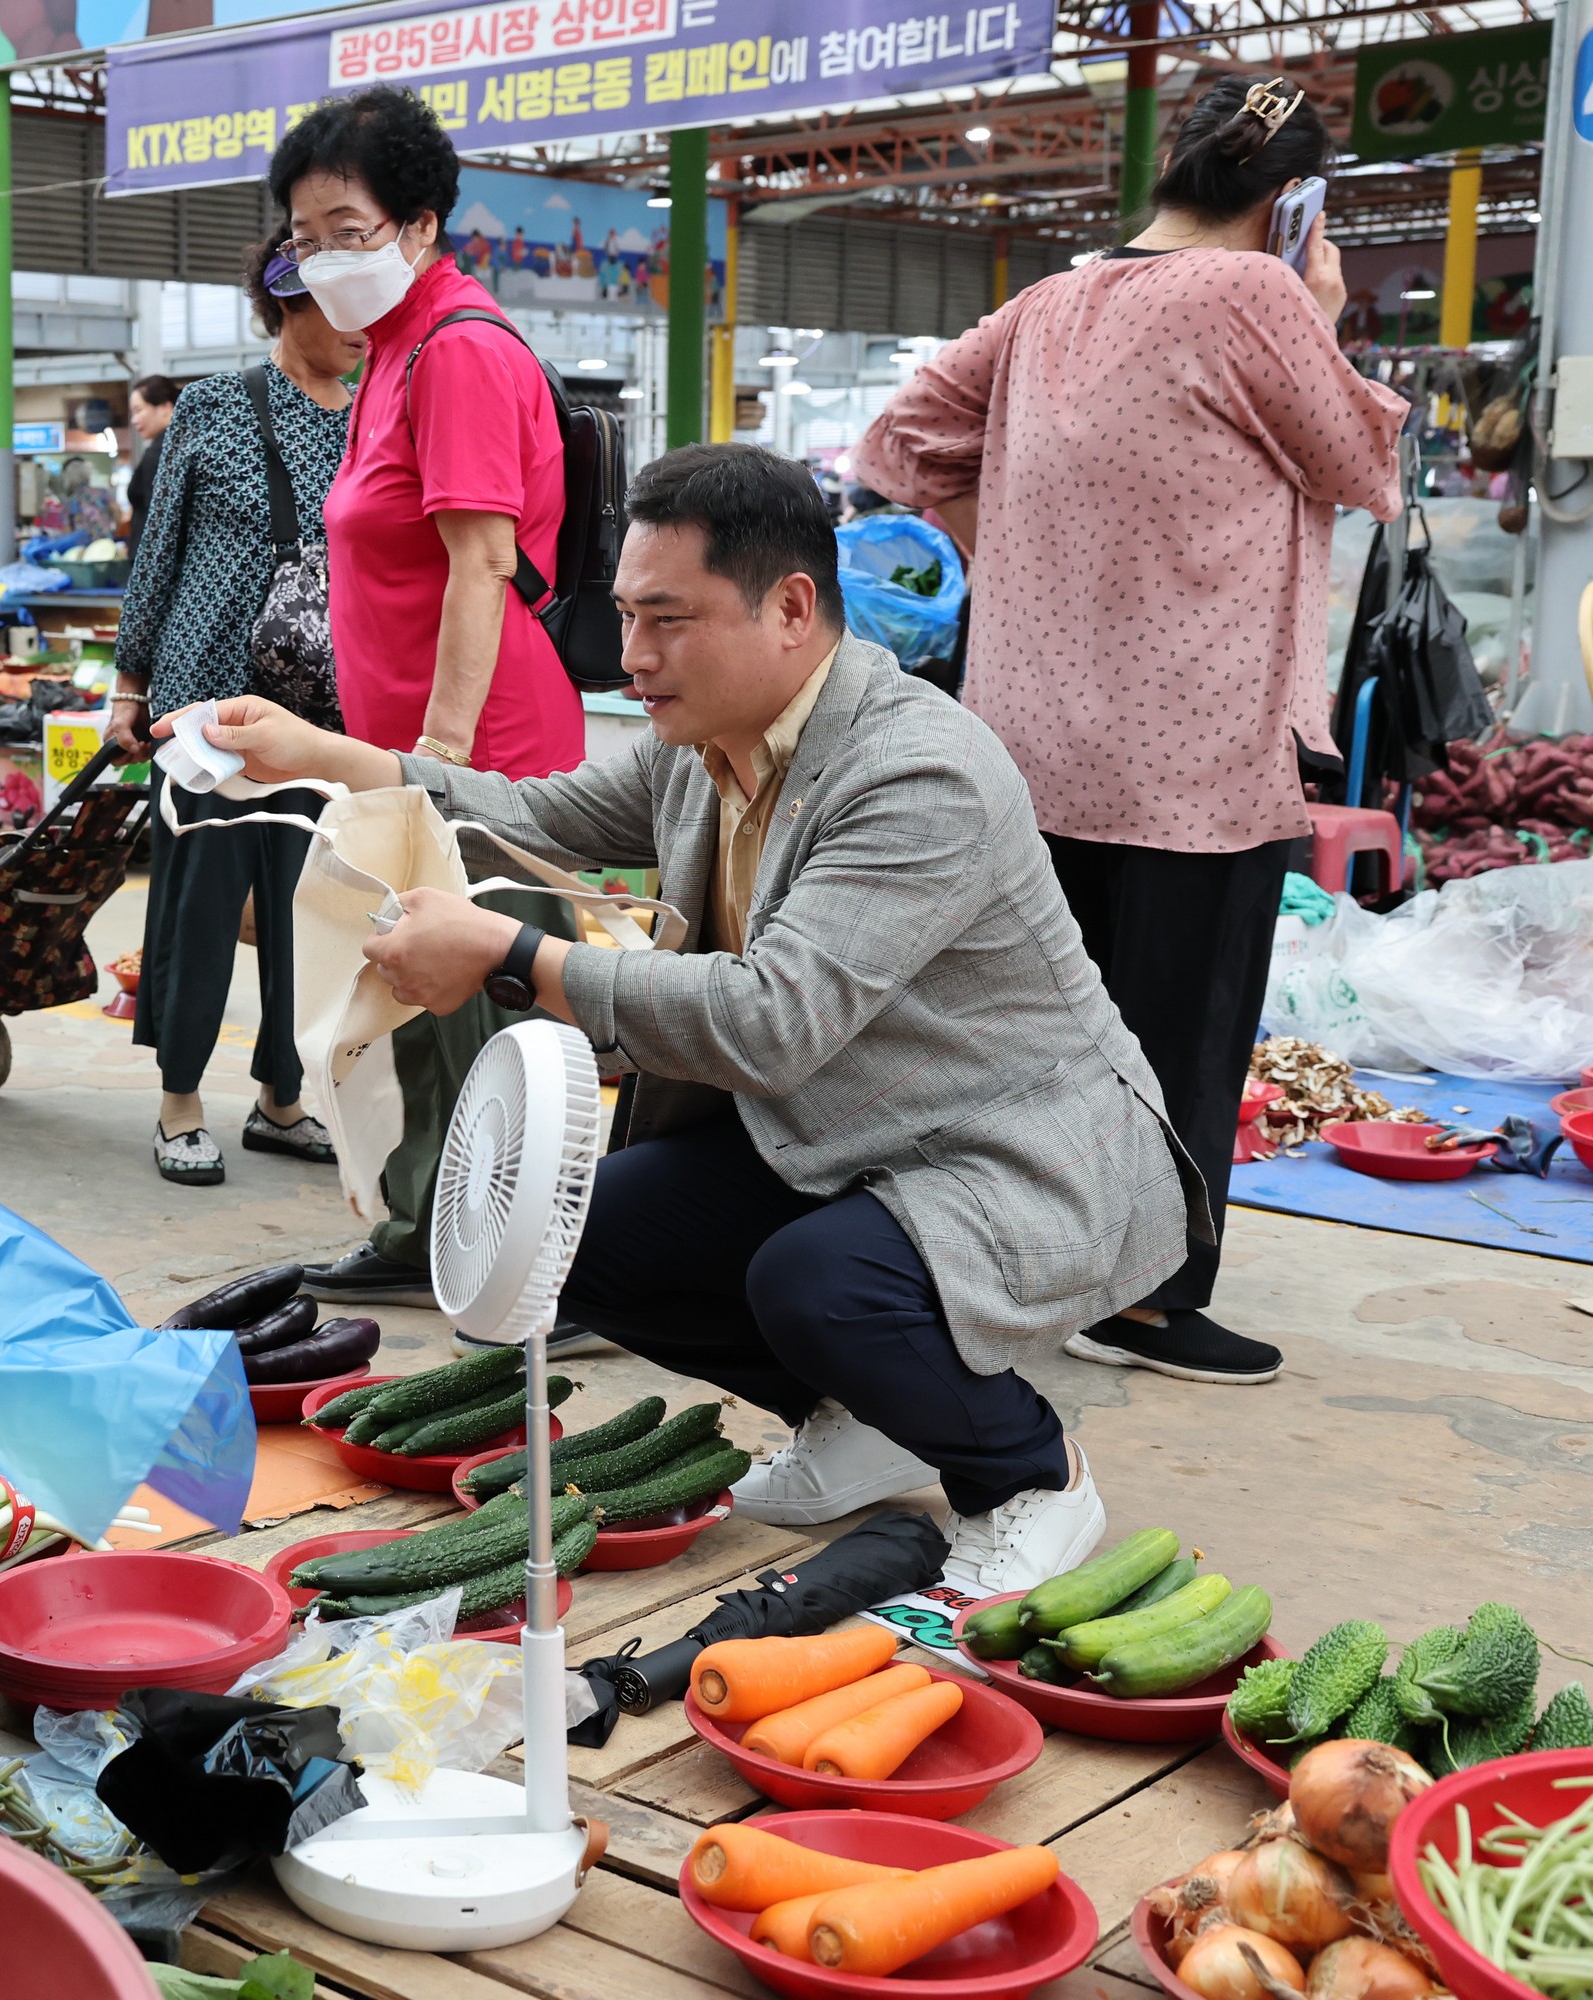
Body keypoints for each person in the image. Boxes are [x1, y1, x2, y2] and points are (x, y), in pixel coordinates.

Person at [181, 445, 1202, 1591]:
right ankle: (867, 1415)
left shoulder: (920, 771)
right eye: (624, 616)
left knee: (820, 1282)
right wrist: (320, 758)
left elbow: (773, 1021)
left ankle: (1027, 1468)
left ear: (792, 609)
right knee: (577, 1234)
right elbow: (531, 818)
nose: (632, 657)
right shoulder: (700, 746)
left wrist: (510, 954)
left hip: (1007, 1145)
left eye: (666, 619)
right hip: (836, 1128)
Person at [858, 75, 1403, 1390]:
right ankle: (1151, 1301)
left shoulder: (1049, 302)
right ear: (1292, 201)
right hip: (1193, 755)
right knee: (1179, 1028)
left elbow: (898, 439)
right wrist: (1322, 307)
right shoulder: (1261, 296)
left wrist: (1020, 569)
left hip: (1034, 741)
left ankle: (1018, 1267)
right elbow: (1361, 464)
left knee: (1043, 1029)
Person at [266, 87, 584, 1313]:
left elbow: (482, 563)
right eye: (305, 233)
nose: (324, 255)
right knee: (417, 999)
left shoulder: (458, 350)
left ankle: (525, 1266)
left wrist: (440, 756)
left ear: (420, 223)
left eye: (348, 225)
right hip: (406, 748)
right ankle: (425, 1228)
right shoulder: (393, 350)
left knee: (484, 1011)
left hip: (479, 744)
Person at [114, 249, 356, 1185]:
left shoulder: (379, 417)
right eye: (340, 305)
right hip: (205, 698)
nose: (360, 327)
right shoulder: (213, 405)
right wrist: (131, 687)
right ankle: (180, 1103)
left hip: (324, 708)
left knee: (311, 904)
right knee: (202, 901)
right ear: (290, 303)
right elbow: (159, 549)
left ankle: (281, 1099)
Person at [122, 372, 178, 543]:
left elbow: (158, 518)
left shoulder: (160, 451)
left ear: (165, 408)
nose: (134, 420)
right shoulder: (186, 443)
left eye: (138, 410)